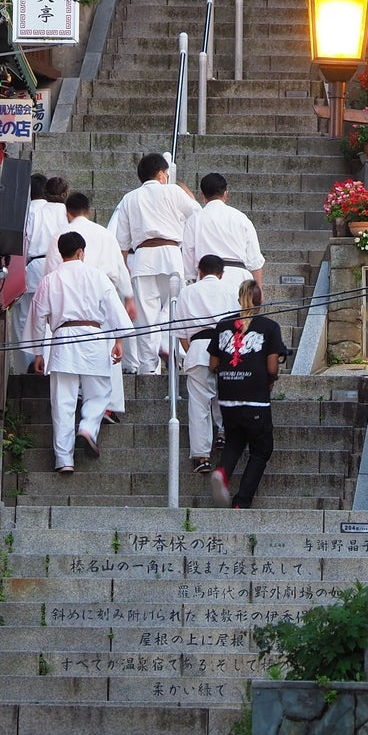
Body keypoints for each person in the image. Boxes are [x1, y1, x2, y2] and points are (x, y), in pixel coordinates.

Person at [28, 230, 128, 474]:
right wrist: (118, 339)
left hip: (62, 340)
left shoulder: (50, 280)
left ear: (61, 253)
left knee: (62, 402)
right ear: (81, 252)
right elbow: (115, 310)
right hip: (94, 337)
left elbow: (37, 319)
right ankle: (87, 426)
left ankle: (64, 459)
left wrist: (38, 352)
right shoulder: (97, 276)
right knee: (100, 391)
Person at [47, 192, 138, 421]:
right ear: (89, 210)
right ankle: (106, 405)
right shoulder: (105, 234)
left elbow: (50, 272)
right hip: (103, 295)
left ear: (67, 212)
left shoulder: (60, 236)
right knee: (109, 353)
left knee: (71, 357)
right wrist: (128, 297)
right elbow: (120, 268)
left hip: (70, 301)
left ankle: (81, 398)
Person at [108, 152, 201, 375]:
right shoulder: (173, 191)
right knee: (175, 308)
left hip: (142, 259)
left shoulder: (129, 198)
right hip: (171, 256)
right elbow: (197, 214)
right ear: (161, 174)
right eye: (166, 174)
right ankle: (171, 348)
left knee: (145, 317)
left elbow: (121, 243)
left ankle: (149, 368)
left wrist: (124, 269)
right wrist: (188, 194)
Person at [208, 279, 287, 509]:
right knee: (262, 449)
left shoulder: (223, 325)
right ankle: (241, 501)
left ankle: (222, 472)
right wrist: (271, 381)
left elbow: (213, 364)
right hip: (255, 397)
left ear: (238, 298)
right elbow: (272, 367)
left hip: (227, 396)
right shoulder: (269, 327)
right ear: (260, 301)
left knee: (234, 440)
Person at [169, 254, 241, 474]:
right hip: (227, 347)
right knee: (225, 395)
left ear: (199, 270)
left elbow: (180, 333)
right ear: (222, 273)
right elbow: (238, 324)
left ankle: (202, 457)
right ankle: (223, 432)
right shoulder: (230, 290)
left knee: (199, 404)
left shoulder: (187, 292)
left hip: (198, 347)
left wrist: (195, 352)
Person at [15, 173, 68, 373]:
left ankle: (32, 361)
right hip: (63, 264)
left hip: (35, 264)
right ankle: (52, 361)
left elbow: (25, 240)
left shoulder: (35, 211)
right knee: (57, 315)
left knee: (29, 316)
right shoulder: (66, 213)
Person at [181, 172, 266, 291]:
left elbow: (188, 255)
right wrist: (259, 289)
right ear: (226, 194)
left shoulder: (195, 220)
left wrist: (193, 282)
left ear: (203, 196)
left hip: (206, 280)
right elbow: (255, 260)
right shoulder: (241, 218)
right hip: (239, 280)